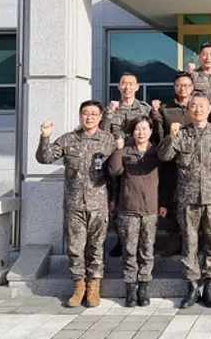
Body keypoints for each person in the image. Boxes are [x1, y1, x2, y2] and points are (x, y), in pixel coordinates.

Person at [36, 100, 115, 308]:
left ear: (100, 117)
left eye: (93, 114)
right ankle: (78, 286)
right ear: (80, 116)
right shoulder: (68, 140)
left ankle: (94, 287)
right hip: (74, 205)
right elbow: (44, 158)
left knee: (96, 247)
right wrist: (45, 136)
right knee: (75, 247)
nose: (89, 117)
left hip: (99, 203)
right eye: (85, 113)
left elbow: (115, 172)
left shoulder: (108, 141)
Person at [158, 93, 211, 309]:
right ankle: (192, 287)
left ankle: (209, 286)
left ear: (209, 109)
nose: (198, 109)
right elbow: (164, 157)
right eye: (193, 106)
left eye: (202, 106)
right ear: (189, 110)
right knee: (189, 244)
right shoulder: (181, 134)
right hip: (187, 198)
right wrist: (170, 137)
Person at [107, 115, 162, 307]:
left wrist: (163, 205)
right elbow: (114, 171)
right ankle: (130, 288)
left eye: (145, 128)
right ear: (132, 131)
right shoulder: (126, 151)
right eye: (138, 128)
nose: (141, 132)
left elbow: (166, 180)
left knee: (146, 251)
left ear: (151, 131)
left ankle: (143, 289)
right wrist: (118, 149)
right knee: (129, 250)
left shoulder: (157, 153)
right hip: (128, 209)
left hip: (150, 209)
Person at [101, 73, 152, 258]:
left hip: (138, 160)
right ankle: (122, 241)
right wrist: (109, 114)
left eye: (131, 84)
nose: (127, 87)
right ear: (119, 86)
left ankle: (140, 243)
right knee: (116, 201)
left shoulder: (144, 109)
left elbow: (152, 132)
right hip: (117, 160)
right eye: (124, 84)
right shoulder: (111, 109)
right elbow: (104, 133)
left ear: (137, 87)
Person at [150, 72, 194, 256]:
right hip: (172, 162)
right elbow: (158, 133)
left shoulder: (198, 106)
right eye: (178, 85)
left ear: (192, 87)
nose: (182, 88)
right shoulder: (166, 108)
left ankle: (191, 239)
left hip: (193, 162)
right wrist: (154, 113)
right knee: (171, 197)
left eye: (186, 85)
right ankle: (174, 237)